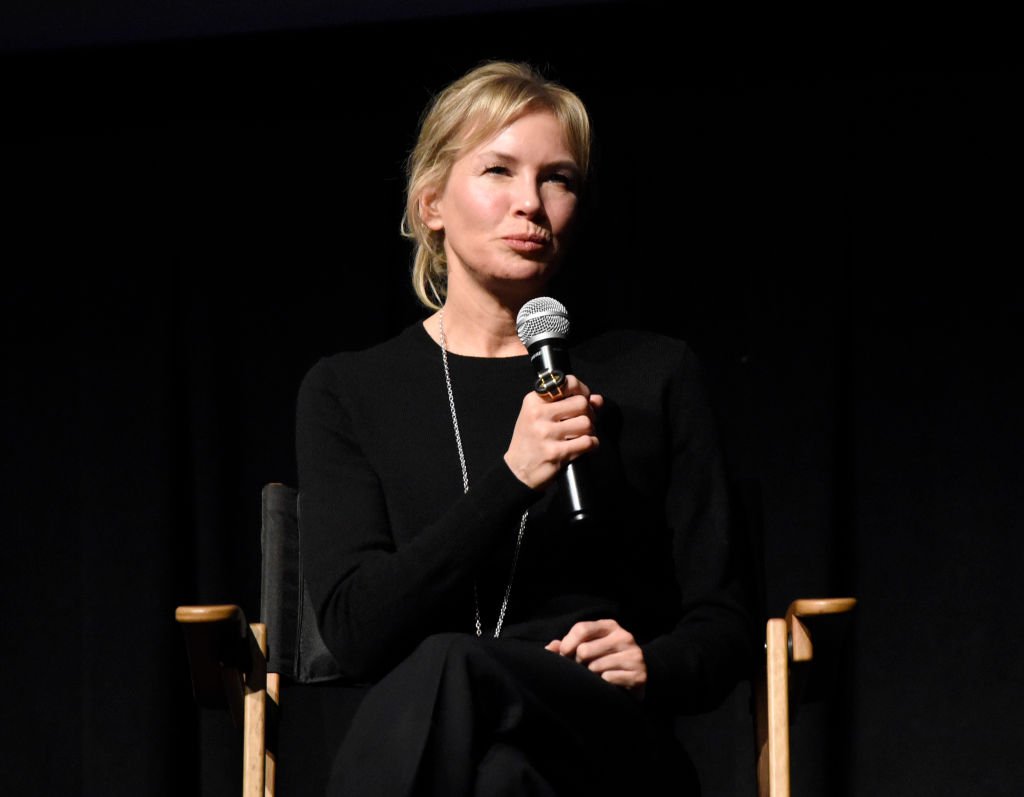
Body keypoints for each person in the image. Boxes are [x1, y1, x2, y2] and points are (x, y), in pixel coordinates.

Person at [296, 61, 751, 796]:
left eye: (558, 178)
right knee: (497, 767)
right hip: (444, 744)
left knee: (453, 668)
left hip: (605, 736)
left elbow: (725, 620)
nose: (531, 204)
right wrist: (512, 477)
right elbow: (355, 632)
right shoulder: (348, 390)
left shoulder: (653, 374)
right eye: (500, 171)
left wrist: (654, 662)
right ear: (432, 202)